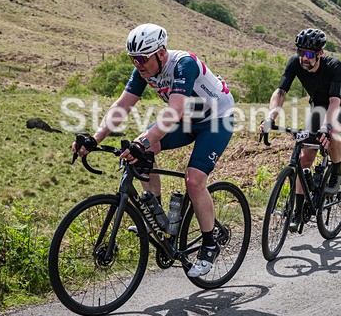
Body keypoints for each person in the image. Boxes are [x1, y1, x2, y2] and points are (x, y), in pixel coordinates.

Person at [72, 23, 235, 277]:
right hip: (187, 120)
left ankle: (210, 243)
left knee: (193, 180)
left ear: (160, 53)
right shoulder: (143, 70)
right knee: (141, 153)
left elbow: (174, 111)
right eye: (132, 59)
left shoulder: (184, 64)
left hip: (216, 120)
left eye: (141, 58)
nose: (137, 64)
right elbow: (122, 105)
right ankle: (157, 219)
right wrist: (95, 138)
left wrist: (143, 143)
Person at [259, 28, 341, 232]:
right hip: (318, 108)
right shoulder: (295, 63)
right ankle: (298, 211)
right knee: (304, 159)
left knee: (334, 131)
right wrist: (270, 118)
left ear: (320, 53)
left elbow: (334, 100)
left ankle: (336, 171)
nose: (304, 57)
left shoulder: (334, 66)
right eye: (300, 52)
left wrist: (326, 128)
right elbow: (281, 91)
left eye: (309, 54)